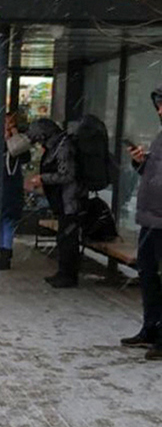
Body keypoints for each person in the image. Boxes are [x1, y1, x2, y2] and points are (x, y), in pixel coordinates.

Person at [121, 84, 162, 360]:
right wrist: (141, 162)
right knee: (147, 274)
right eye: (158, 105)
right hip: (151, 218)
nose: (159, 110)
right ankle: (151, 327)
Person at [27, 118, 86, 288]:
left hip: (70, 201)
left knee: (68, 238)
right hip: (63, 201)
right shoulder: (58, 146)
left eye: (40, 139)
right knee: (64, 238)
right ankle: (63, 272)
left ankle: (68, 275)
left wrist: (43, 179)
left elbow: (67, 175)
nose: (39, 144)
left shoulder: (63, 147)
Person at [0, 112, 32, 270]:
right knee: (2, 222)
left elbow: (25, 156)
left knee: (7, 222)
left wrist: (14, 137)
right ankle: (3, 251)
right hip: (3, 187)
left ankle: (4, 253)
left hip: (9, 188)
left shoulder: (17, 145)